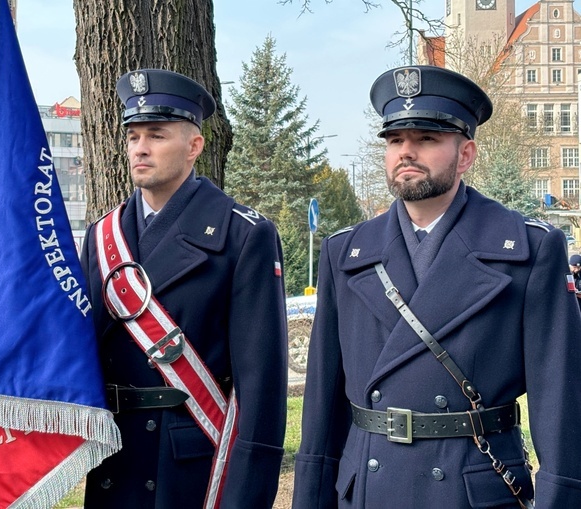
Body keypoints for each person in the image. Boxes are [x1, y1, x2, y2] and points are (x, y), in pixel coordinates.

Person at [292, 65, 581, 508]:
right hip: (369, 487)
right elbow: (322, 404)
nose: (405, 152)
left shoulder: (529, 249)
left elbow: (559, 398)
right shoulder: (344, 252)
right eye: (394, 140)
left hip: (473, 490)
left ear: (465, 155)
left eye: (425, 139)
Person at [80, 68, 288, 508]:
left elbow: (261, 384)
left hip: (193, 460)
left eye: (156, 135)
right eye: (133, 136)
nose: (140, 148)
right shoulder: (102, 236)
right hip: (114, 458)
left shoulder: (242, 235)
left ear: (194, 146)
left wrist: (246, 494)